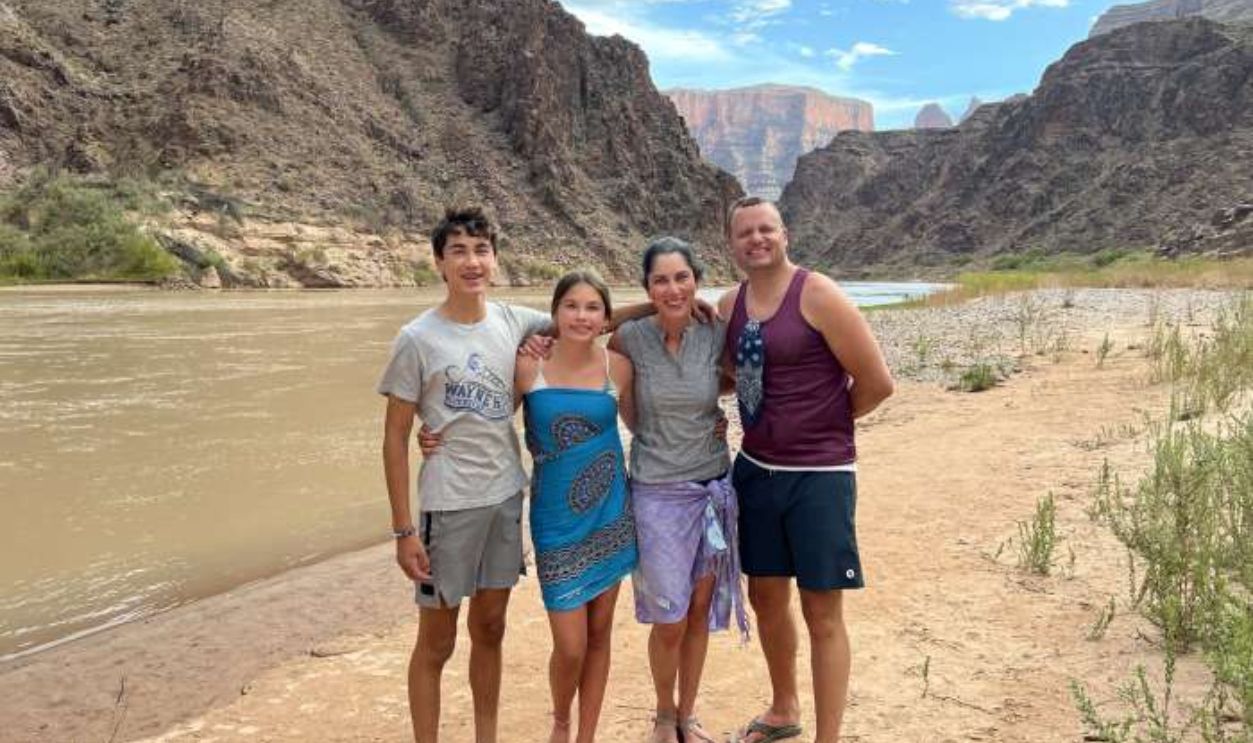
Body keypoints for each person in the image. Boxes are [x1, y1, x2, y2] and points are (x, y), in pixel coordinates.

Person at [718, 197, 894, 743]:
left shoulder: (818, 294)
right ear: (731, 245)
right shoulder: (728, 306)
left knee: (822, 610)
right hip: (755, 471)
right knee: (766, 598)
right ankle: (784, 708)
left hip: (820, 477)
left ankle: (828, 737)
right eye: (745, 232)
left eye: (766, 229)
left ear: (785, 234)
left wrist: (823, 426)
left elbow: (877, 383)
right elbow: (724, 373)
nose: (757, 239)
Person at [378, 206, 553, 743]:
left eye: (481, 250)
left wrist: (665, 305)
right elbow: (395, 438)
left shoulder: (512, 321)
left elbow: (586, 316)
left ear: (495, 260)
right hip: (448, 505)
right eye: (458, 251)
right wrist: (404, 531)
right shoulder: (417, 338)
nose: (472, 262)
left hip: (505, 498)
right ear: (439, 263)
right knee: (437, 641)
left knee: (491, 629)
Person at [607, 237, 748, 743]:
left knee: (697, 614)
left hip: (711, 485)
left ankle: (687, 715)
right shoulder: (631, 337)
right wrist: (653, 306)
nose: (673, 289)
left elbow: (738, 377)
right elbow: (584, 322)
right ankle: (663, 715)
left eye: (682, 278)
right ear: (647, 287)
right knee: (669, 617)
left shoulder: (714, 332)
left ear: (697, 280)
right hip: (655, 493)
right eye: (660, 280)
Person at [516, 270, 637, 743]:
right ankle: (561, 719)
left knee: (600, 635)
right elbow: (485, 423)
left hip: (611, 514)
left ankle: (584, 735)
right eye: (571, 305)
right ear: (554, 313)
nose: (581, 316)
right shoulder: (529, 365)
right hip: (554, 520)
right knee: (570, 646)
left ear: (606, 318)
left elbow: (647, 425)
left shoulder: (618, 368)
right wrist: (433, 436)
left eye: (592, 307)